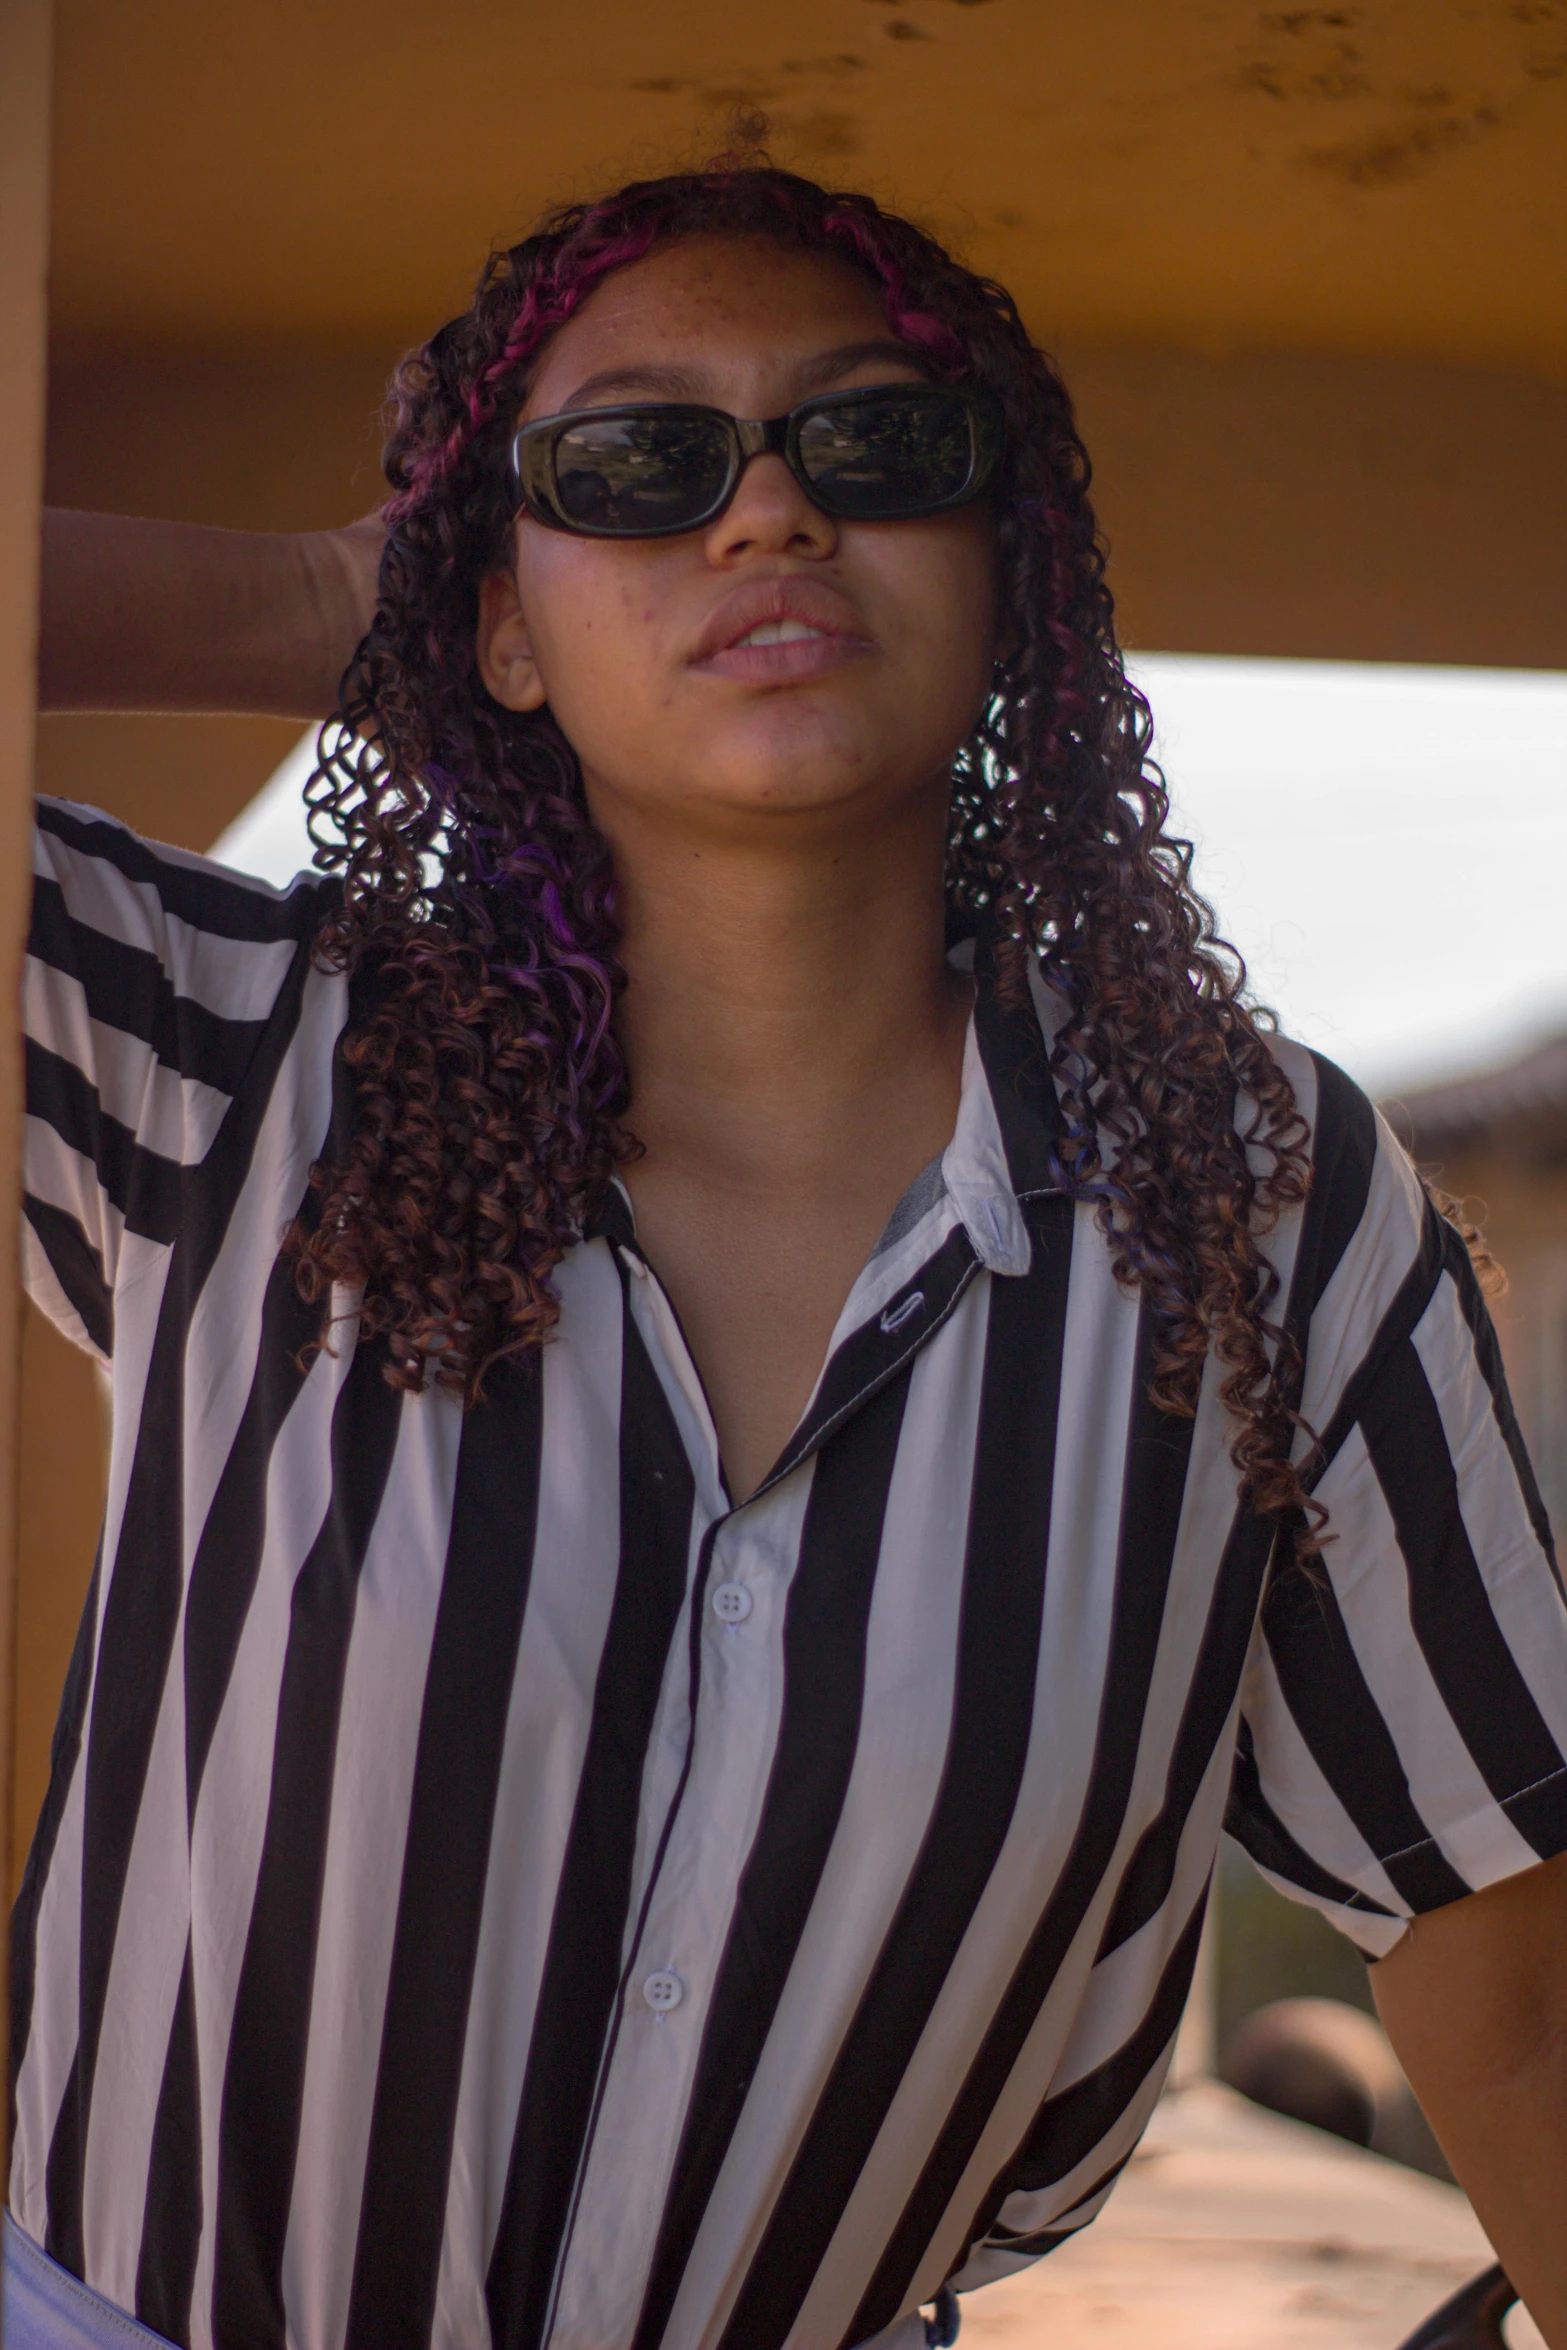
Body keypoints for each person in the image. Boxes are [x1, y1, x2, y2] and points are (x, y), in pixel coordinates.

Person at [12, 161, 1567, 2350]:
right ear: (496, 614)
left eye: (877, 442)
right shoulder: (229, 1060)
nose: (765, 516)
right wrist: (310, 603)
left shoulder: (1261, 1205)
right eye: (635, 464)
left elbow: (1516, 1994)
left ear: (1009, 561)